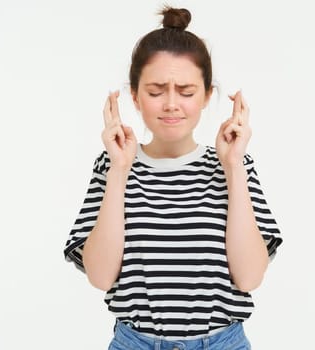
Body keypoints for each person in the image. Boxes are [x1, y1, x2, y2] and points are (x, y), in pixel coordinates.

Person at [63, 6, 283, 349]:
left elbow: (250, 277)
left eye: (186, 91)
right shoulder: (113, 165)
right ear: (134, 96)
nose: (170, 104)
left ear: (207, 95)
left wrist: (234, 167)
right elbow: (101, 276)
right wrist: (120, 169)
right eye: (155, 91)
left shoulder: (235, 165)